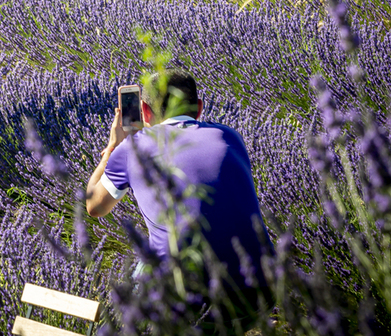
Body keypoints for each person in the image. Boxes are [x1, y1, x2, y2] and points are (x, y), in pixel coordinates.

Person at [86, 70, 274, 334]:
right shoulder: (230, 137)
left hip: (190, 307)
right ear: (198, 109)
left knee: (135, 278)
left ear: (144, 111)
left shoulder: (133, 149)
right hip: (260, 295)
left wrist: (114, 148)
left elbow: (94, 206)